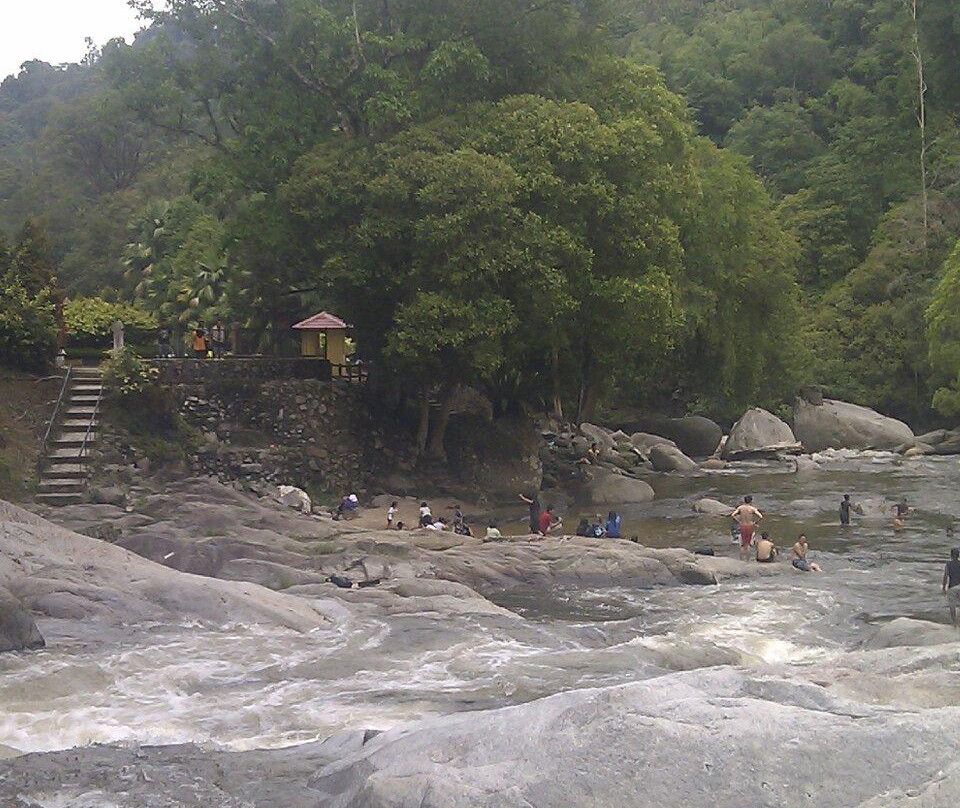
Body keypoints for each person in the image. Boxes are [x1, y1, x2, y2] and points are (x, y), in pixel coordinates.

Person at [942, 548, 960, 627]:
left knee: (952, 606)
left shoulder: (948, 564)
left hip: (952, 586)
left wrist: (943, 588)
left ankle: (955, 623)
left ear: (951, 555)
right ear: (958, 555)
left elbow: (945, 576)